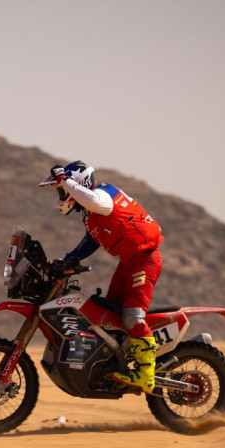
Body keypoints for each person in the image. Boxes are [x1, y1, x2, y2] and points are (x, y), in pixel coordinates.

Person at [42, 161, 164, 393]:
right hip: (129, 261)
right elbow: (91, 240)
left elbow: (95, 201)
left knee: (132, 318)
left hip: (145, 259)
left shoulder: (103, 196)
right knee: (110, 317)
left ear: (78, 184)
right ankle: (116, 362)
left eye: (63, 190)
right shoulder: (91, 214)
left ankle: (146, 373)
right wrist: (69, 259)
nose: (61, 194)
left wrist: (64, 180)